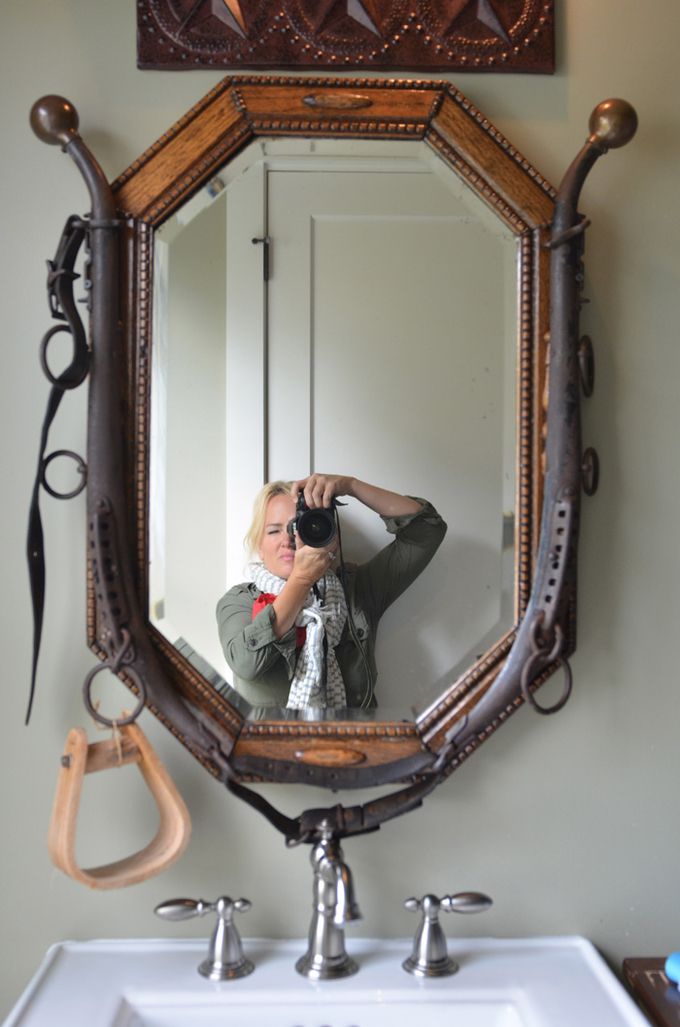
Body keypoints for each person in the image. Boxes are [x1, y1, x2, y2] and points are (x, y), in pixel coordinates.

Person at [216, 474, 446, 710]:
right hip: (272, 746)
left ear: (331, 538)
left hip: (354, 743)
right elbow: (246, 663)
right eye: (274, 531)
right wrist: (302, 579)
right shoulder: (239, 601)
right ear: (259, 547)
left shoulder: (356, 590)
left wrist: (351, 486)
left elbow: (427, 531)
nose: (289, 539)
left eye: (299, 526)